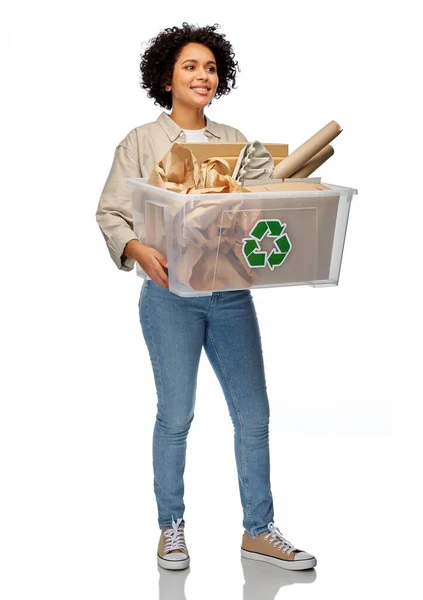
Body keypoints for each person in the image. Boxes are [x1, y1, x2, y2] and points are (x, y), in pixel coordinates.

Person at [96, 22, 316, 572]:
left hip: (231, 295)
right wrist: (138, 251)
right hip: (170, 296)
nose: (202, 75)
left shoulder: (235, 141)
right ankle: (171, 527)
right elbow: (111, 212)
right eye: (190, 66)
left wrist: (293, 192)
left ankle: (259, 531)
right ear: (167, 77)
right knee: (176, 415)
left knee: (254, 415)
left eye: (211, 68)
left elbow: (271, 198)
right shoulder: (142, 142)